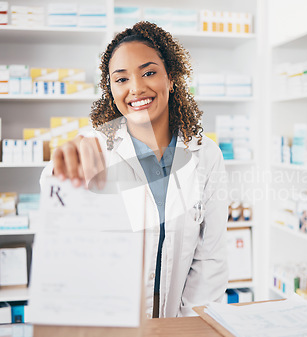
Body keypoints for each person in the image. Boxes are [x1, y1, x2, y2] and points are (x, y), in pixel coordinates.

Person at [44, 21, 228, 318]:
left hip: (179, 331)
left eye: (149, 72)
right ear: (111, 90)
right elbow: (59, 233)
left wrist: (188, 333)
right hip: (107, 328)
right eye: (121, 79)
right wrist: (62, 169)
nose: (136, 88)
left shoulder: (205, 155)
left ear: (171, 78)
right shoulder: (94, 150)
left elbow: (211, 261)